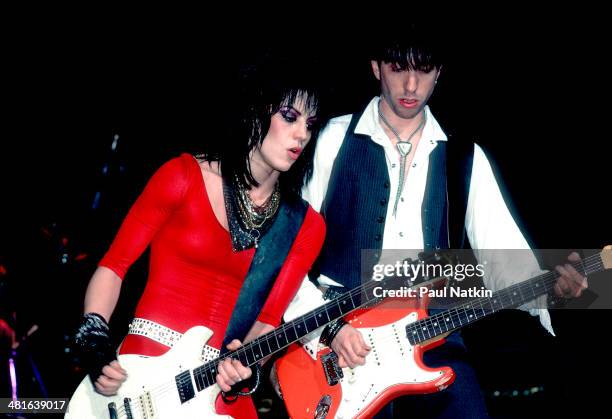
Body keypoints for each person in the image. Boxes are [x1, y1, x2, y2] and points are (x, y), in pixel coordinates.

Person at [281, 27, 588, 418]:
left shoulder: (463, 157)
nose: (411, 85)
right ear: (376, 67)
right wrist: (327, 328)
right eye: (398, 68)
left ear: (439, 72)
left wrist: (555, 289)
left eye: (424, 70)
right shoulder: (333, 139)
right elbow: (288, 254)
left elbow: (505, 262)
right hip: (341, 340)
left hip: (433, 338)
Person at [71, 55, 328, 418]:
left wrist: (245, 365)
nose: (301, 134)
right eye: (289, 117)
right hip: (142, 378)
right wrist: (95, 339)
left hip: (219, 394)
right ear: (256, 109)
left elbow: (268, 320)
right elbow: (114, 266)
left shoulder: (305, 226)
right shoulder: (182, 176)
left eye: (310, 124)